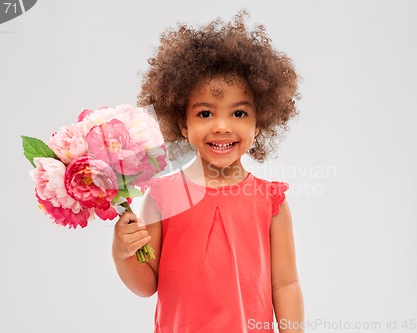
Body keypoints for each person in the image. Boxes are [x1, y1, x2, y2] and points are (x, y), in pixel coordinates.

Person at [112, 10, 304, 333]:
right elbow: (147, 284)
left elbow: (285, 285)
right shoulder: (162, 198)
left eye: (239, 112)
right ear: (182, 125)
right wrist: (123, 252)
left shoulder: (270, 202)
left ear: (258, 124)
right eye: (204, 113)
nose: (222, 126)